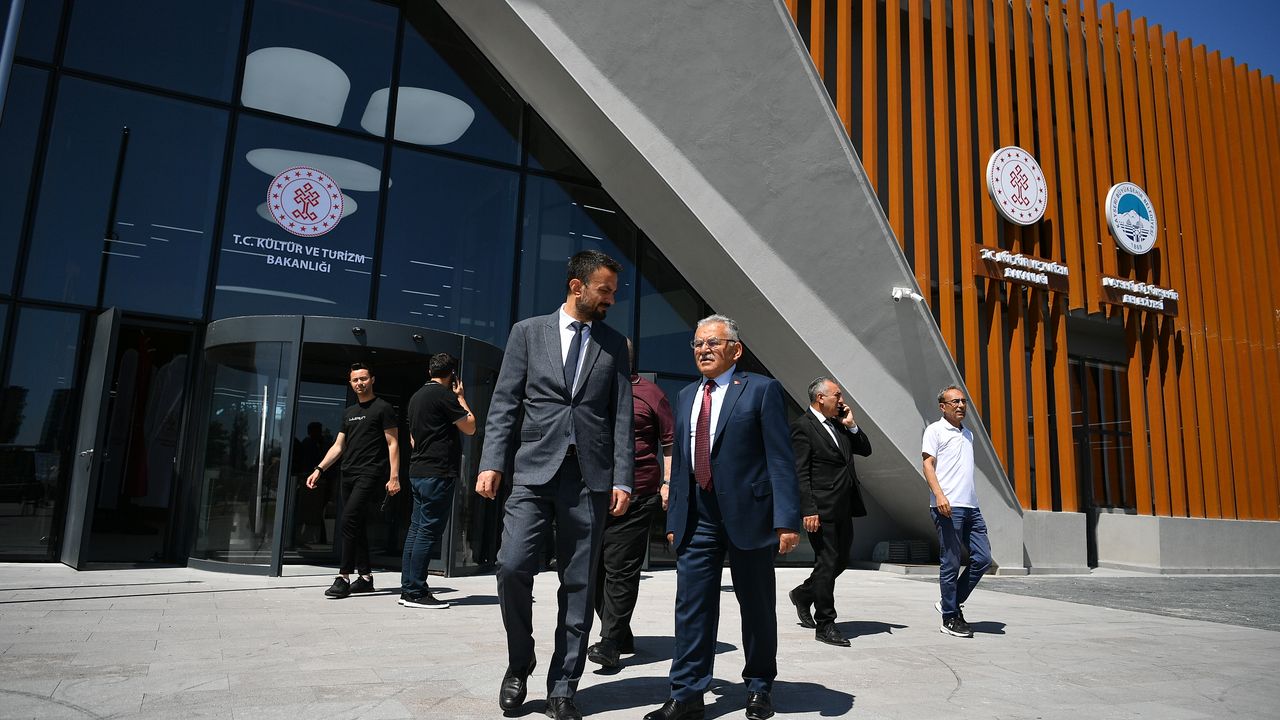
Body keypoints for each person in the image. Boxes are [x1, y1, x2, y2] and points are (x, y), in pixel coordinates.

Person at [475, 250, 634, 720]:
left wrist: (623, 477)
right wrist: (491, 462)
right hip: (532, 471)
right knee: (511, 566)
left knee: (579, 583)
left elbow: (621, 416)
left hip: (590, 478)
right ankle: (519, 661)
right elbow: (504, 403)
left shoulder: (614, 344)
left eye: (613, 291)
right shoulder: (527, 333)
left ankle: (563, 685)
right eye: (604, 290)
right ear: (576, 286)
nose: (610, 299)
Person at [644, 315, 801, 720]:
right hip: (698, 516)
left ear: (735, 349)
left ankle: (760, 686)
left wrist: (787, 519)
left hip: (751, 515)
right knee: (691, 607)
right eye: (697, 344)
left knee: (757, 606)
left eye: (712, 342)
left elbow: (780, 459)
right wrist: (675, 519)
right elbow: (681, 462)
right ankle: (687, 692)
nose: (703, 350)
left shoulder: (761, 390)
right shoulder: (686, 395)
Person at [586, 339, 674, 669]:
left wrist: (668, 483)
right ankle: (619, 632)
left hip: (638, 495)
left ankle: (609, 642)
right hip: (591, 496)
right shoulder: (590, 390)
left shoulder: (651, 394)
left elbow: (670, 443)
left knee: (620, 568)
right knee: (592, 570)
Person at [787, 377, 872, 648]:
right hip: (821, 509)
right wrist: (808, 509)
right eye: (837, 395)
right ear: (820, 398)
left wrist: (852, 425)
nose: (842, 400)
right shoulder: (802, 427)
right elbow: (800, 472)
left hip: (844, 505)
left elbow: (865, 449)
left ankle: (803, 594)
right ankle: (825, 624)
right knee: (827, 561)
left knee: (840, 561)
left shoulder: (839, 424)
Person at [306, 363, 400, 598]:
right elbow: (338, 446)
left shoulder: (383, 408)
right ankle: (366, 577)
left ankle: (343, 576)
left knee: (348, 520)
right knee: (356, 524)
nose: (360, 383)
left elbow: (393, 443)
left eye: (364, 378)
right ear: (350, 383)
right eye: (355, 380)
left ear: (372, 380)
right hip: (347, 474)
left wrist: (394, 476)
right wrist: (319, 469)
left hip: (369, 473)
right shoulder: (349, 412)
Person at [400, 352, 476, 609]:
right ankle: (416, 592)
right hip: (437, 472)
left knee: (416, 529)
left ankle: (408, 588)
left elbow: (413, 439)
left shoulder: (416, 397)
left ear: (430, 371)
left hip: (418, 470)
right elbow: (470, 426)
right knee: (428, 531)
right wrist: (461, 397)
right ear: (452, 374)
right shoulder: (444, 396)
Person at [922, 384, 991, 639]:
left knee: (983, 558)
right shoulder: (935, 430)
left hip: (971, 506)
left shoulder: (968, 434)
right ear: (943, 407)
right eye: (955, 402)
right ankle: (949, 618)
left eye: (963, 401)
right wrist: (939, 495)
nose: (961, 405)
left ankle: (949, 601)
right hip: (947, 507)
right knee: (950, 562)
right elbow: (928, 464)